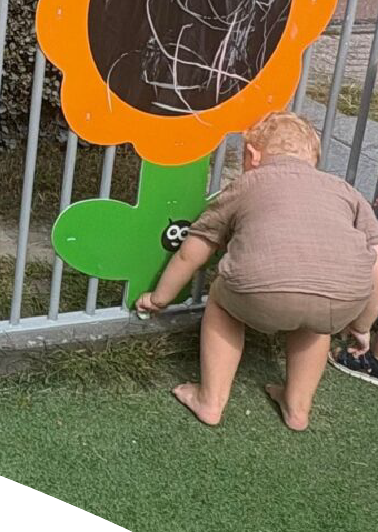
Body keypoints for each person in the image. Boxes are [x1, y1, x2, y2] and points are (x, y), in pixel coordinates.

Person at [137, 111, 378, 431]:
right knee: (317, 320)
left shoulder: (246, 185)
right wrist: (362, 324)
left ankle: (210, 400)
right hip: (342, 299)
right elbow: (374, 260)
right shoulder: (345, 191)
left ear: (252, 156)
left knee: (222, 303)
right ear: (313, 160)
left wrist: (159, 297)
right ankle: (297, 409)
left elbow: (193, 250)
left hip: (261, 294)